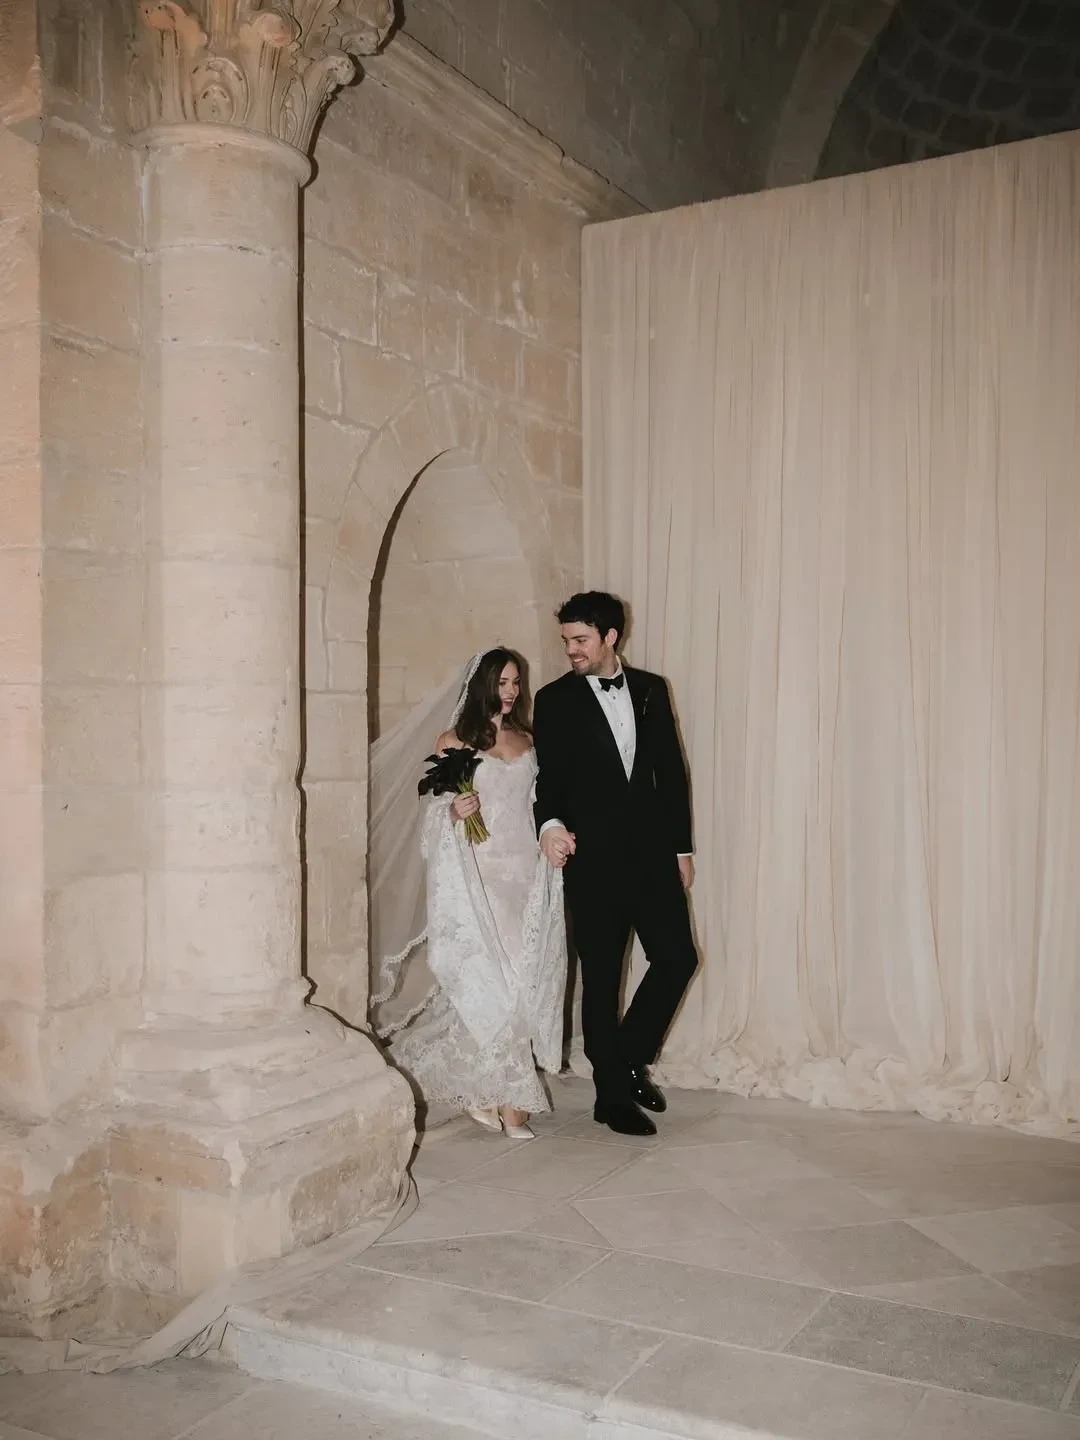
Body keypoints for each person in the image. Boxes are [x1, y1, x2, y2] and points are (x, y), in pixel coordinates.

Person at [369, 648, 567, 1141]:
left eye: (516, 682)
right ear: (482, 685)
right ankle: (512, 1104)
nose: (511, 692)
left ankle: (484, 1091)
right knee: (497, 983)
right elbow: (432, 816)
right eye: (502, 682)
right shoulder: (453, 742)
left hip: (526, 874)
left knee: (525, 980)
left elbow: (540, 801)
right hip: (481, 877)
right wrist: (454, 811)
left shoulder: (527, 739)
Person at [532, 592, 698, 1136]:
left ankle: (627, 1060)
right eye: (567, 641)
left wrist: (681, 849)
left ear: (610, 637)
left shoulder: (651, 689)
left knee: (677, 958)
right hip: (593, 861)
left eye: (581, 640)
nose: (572, 650)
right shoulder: (554, 700)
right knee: (602, 978)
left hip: (652, 856)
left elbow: (670, 772)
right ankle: (610, 1098)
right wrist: (549, 825)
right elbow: (548, 779)